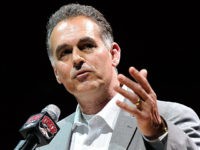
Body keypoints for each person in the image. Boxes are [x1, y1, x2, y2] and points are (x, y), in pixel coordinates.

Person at [36, 3, 200, 150]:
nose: (77, 59)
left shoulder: (172, 118)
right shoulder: (45, 143)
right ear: (56, 73)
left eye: (87, 46)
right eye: (65, 52)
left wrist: (157, 132)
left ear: (114, 54)